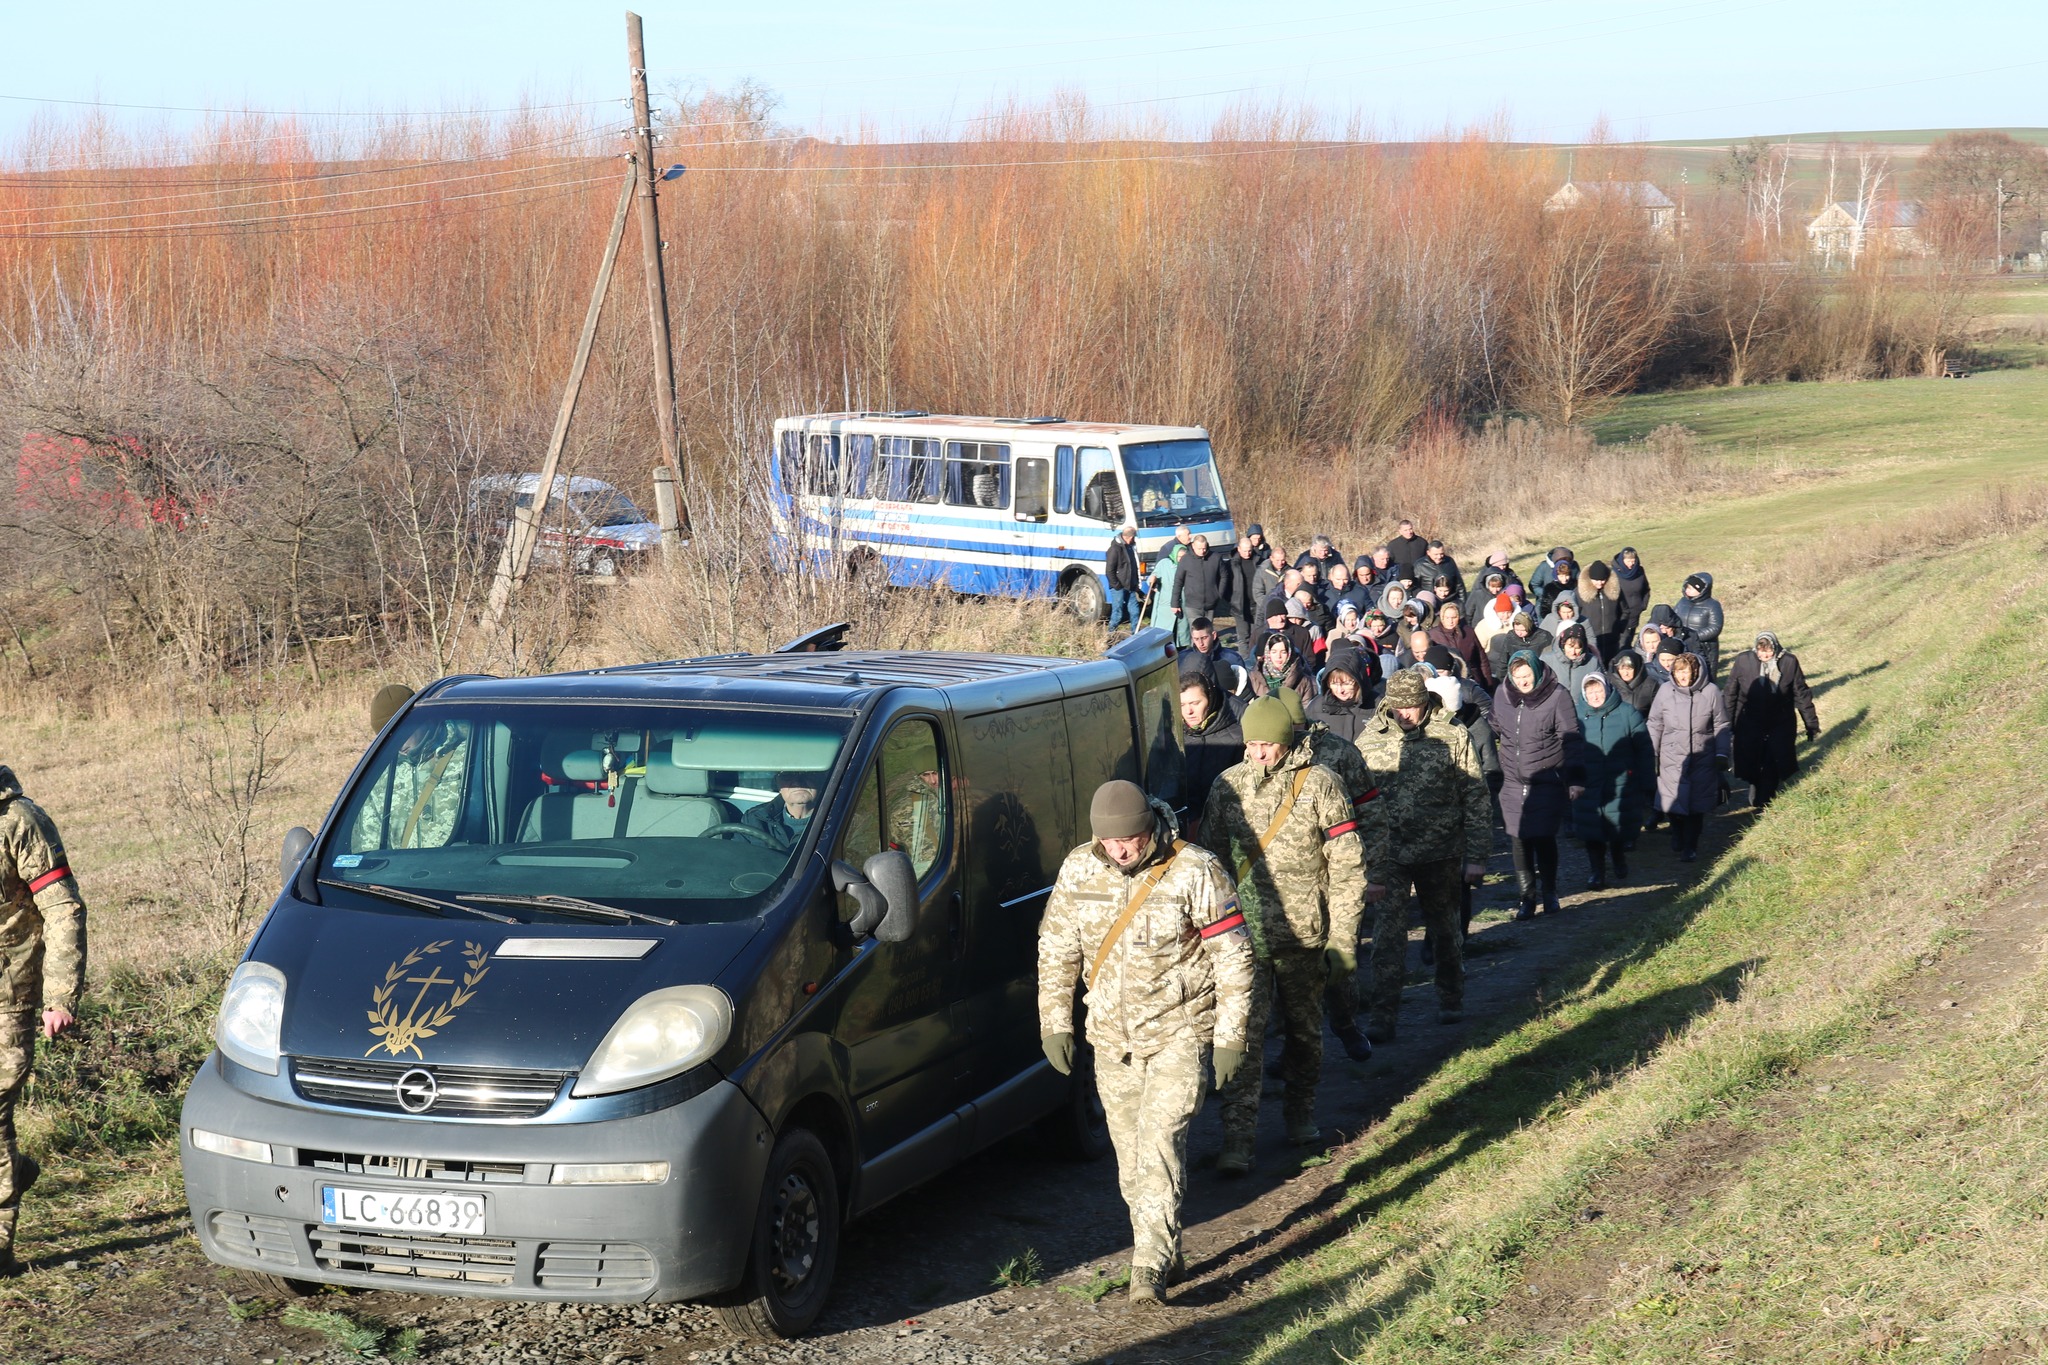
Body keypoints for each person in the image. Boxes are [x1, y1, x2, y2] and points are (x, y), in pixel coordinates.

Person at [1037, 780, 1254, 1306]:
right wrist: (1054, 1023)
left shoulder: (1196, 870)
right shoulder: (1079, 868)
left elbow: (1234, 957)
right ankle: (1164, 1244)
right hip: (1111, 1038)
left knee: (1159, 1144)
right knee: (1131, 1158)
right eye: (1110, 842)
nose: (1120, 850)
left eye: (1129, 839)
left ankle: (1148, 1267)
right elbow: (1057, 946)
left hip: (1178, 1031)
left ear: (1150, 828)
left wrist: (1229, 1038)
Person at [1198, 698, 1367, 1168]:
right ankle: (1237, 1138)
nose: (1258, 753)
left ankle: (1300, 1114)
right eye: (1251, 744)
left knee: (1304, 1034)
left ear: (1285, 741)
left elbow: (1349, 869)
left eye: (1267, 744)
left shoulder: (1321, 786)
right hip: (1244, 943)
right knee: (1242, 1038)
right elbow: (1207, 866)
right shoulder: (1227, 787)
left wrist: (1343, 941)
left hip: (1304, 938)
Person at [1354, 670, 1492, 1043]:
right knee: (1387, 938)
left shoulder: (1452, 734)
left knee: (1445, 930)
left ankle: (1451, 997)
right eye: (1397, 708)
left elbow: (1475, 795)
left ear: (1425, 701)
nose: (1405, 715)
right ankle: (1383, 1014)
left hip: (1441, 851)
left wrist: (1477, 855)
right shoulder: (1370, 741)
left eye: (1412, 706)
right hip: (1390, 856)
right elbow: (1356, 802)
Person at [0, 765, 87, 1277]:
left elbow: (63, 908)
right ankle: (17, 1171)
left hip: (10, 996)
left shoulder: (19, 822)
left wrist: (59, 995)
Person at [1276, 686, 1389, 1066]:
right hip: (1286, 886)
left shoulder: (1340, 754)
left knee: (1337, 966)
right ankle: (1295, 1049)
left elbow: (1371, 813)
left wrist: (1371, 873)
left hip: (1337, 878)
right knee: (1288, 977)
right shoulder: (1259, 762)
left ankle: (1345, 1026)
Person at [1493, 650, 1587, 920]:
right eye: (1518, 676)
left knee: (1544, 837)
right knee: (1518, 838)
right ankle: (1526, 898)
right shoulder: (1503, 694)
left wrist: (1576, 779)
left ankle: (1550, 892)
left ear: (1537, 671)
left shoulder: (1557, 696)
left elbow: (1571, 738)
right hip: (1512, 779)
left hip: (1547, 778)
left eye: (1527, 675)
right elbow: (1496, 726)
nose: (1523, 681)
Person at [1571, 672, 1655, 889]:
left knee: (1618, 827)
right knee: (1592, 830)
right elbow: (1568, 749)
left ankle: (1618, 859)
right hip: (1588, 781)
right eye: (1590, 692)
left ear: (1607, 689)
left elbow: (1644, 748)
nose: (1595, 696)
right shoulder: (1575, 716)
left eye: (1598, 690)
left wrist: (1647, 781)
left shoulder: (1627, 712)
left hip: (1620, 781)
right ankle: (1597, 871)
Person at [1648, 652, 1731, 862]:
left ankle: (1691, 845)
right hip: (1672, 757)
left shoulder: (1711, 692)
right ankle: (1677, 832)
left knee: (1696, 806)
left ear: (1695, 671)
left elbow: (1721, 724)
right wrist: (1652, 752)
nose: (1682, 676)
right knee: (1672, 802)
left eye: (1685, 671)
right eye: (1677, 671)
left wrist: (1722, 753)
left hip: (1701, 756)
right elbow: (1655, 722)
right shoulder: (1665, 691)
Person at [1723, 631, 1820, 809]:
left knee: (1773, 761)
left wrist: (1811, 724)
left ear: (1775, 649)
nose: (1765, 656)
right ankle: (1755, 787)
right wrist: (1726, 722)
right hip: (1749, 720)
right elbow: (1731, 692)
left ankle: (1765, 801)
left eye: (1768, 651)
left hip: (1779, 721)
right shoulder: (1744, 661)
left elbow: (1801, 693)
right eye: (1761, 651)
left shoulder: (1789, 662)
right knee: (1752, 760)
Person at [1179, 672, 1247, 839]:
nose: (1188, 711)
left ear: (1210, 699)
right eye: (1182, 704)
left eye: (1195, 703)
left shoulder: (1236, 739)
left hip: (1227, 831)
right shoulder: (1174, 738)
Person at [741, 771, 824, 853]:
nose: (798, 782)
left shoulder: (834, 823)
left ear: (819, 781)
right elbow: (738, 859)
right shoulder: (754, 818)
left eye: (807, 773)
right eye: (787, 775)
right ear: (778, 785)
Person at [1171, 534, 1232, 633]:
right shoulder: (1185, 560)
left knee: (1208, 633)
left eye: (1204, 548)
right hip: (1192, 605)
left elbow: (1224, 576)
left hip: (1211, 604)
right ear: (1193, 546)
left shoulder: (1215, 558)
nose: (1202, 551)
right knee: (1197, 633)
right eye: (1199, 548)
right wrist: (1174, 603)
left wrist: (1219, 594)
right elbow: (1178, 581)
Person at [1306, 657, 1372, 742]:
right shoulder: (1316, 706)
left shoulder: (1377, 706)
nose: (1340, 690)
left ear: (1358, 680)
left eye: (1346, 684)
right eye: (1334, 684)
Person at [1428, 600, 1490, 690]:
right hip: (1446, 683)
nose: (1451, 621)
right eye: (1447, 618)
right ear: (1442, 618)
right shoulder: (1433, 635)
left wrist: (1488, 683)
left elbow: (1482, 660)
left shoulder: (1469, 632)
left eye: (1454, 617)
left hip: (1471, 681)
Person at [1675, 573, 1725, 679]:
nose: (1687, 590)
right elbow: (1674, 618)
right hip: (1683, 643)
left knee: (1704, 675)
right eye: (1687, 587)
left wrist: (1694, 636)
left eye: (1691, 588)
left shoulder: (1713, 605)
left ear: (1701, 590)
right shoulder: (1682, 602)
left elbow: (1715, 627)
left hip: (1705, 647)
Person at [1180, 618, 1246, 698]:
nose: (1201, 643)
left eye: (1204, 638)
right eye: (1196, 639)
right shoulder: (1183, 658)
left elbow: (1242, 687)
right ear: (1192, 638)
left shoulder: (1232, 658)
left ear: (1214, 635)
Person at [1486, 609, 1553, 687]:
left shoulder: (1544, 637)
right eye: (1517, 630)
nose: (1519, 633)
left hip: (1538, 676)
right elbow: (1503, 660)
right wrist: (1500, 681)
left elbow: (1550, 660)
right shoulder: (1511, 637)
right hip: (1516, 677)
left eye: (1523, 630)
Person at [1147, 533, 1191, 646]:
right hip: (1165, 607)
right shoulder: (1164, 564)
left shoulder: (1188, 567)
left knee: (1180, 637)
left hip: (1182, 606)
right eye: (1179, 557)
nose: (1181, 559)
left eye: (1184, 557)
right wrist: (1152, 579)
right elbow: (1153, 576)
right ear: (1174, 555)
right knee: (1163, 637)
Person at [1578, 561, 1627, 661]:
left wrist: (1619, 630)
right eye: (1596, 580)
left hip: (1613, 644)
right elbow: (1576, 616)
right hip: (1591, 643)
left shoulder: (1615, 592)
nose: (1599, 583)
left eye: (1602, 580)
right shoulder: (1579, 594)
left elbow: (1625, 611)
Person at [1539, 622, 1602, 696]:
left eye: (1577, 648)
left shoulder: (1592, 662)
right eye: (1570, 646)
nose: (1573, 652)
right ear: (1563, 644)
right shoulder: (1546, 660)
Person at [1251, 630, 1315, 701]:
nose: (1278, 656)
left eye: (1283, 652)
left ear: (1289, 654)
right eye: (1274, 652)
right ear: (1268, 653)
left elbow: (1306, 708)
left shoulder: (1303, 680)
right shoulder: (1254, 677)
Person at [1227, 535, 1263, 647]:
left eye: (1249, 551)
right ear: (1238, 549)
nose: (1247, 554)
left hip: (1256, 604)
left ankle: (1255, 662)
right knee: (1243, 638)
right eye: (1244, 551)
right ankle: (1244, 662)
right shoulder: (1231, 564)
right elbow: (1225, 584)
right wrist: (1231, 599)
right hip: (1239, 606)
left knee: (1257, 636)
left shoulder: (1259, 561)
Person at [1105, 526, 1143, 633]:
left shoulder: (1130, 548)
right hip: (1119, 587)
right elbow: (1109, 570)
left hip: (1130, 586)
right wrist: (1117, 585)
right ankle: (1111, 634)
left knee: (1135, 611)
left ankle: (1135, 633)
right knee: (1118, 613)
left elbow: (1134, 567)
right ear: (1130, 537)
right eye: (1134, 537)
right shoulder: (1114, 549)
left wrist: (1135, 585)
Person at [1613, 547, 1652, 645]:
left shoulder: (1639, 571)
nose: (1631, 564)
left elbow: (1646, 589)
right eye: (1628, 561)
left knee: (1629, 639)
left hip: (1635, 613)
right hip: (1620, 615)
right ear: (1622, 560)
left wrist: (1643, 605)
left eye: (1633, 561)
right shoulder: (1614, 573)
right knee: (1621, 641)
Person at [1610, 648, 1659, 717]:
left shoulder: (1651, 685)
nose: (1625, 673)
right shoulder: (1610, 685)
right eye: (1621, 669)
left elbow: (1656, 714)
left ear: (1637, 668)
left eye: (1629, 669)